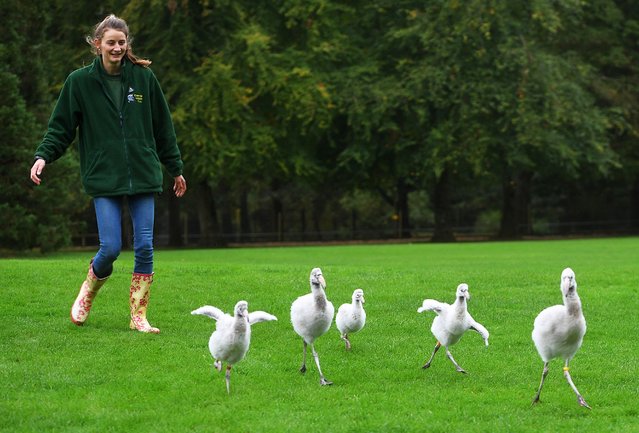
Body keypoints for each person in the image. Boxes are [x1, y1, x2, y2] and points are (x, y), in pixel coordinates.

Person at [30, 14, 187, 334]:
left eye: (121, 42)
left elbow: (163, 127)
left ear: (127, 44)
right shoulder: (79, 82)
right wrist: (44, 156)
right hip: (104, 176)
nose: (116, 47)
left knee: (144, 246)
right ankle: (88, 290)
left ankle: (138, 317)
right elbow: (61, 128)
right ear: (97, 44)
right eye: (110, 42)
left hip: (143, 173)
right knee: (111, 247)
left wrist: (175, 168)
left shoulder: (144, 79)